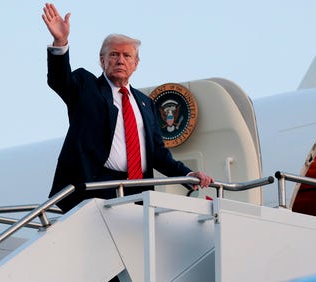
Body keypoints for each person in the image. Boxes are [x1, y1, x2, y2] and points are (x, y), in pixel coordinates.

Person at [42, 3, 214, 212]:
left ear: (136, 64)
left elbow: (158, 154)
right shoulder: (86, 86)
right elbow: (60, 81)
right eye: (114, 54)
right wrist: (60, 42)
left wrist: (188, 175)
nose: (120, 60)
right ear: (102, 60)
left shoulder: (145, 102)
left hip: (139, 191)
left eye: (127, 56)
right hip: (97, 189)